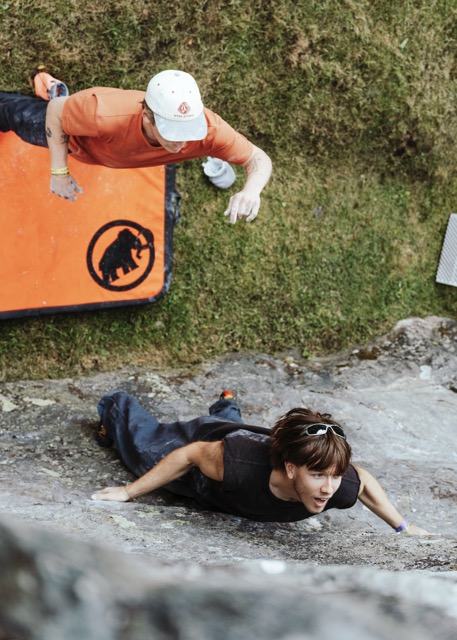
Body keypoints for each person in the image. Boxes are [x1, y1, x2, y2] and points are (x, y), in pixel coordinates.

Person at [91, 389, 430, 535]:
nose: (329, 488)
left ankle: (227, 406)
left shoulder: (336, 485)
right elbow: (191, 454)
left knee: (232, 430)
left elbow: (364, 482)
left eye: (335, 475)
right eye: (317, 475)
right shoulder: (239, 464)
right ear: (291, 468)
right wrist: (129, 492)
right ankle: (116, 405)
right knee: (141, 448)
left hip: (237, 443)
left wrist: (403, 527)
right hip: (204, 450)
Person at [0, 69, 272, 224]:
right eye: (172, 132)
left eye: (189, 130)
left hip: (96, 142)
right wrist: (59, 171)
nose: (182, 143)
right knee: (20, 117)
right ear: (147, 116)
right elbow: (57, 114)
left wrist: (252, 189)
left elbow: (257, 158)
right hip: (77, 140)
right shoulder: (105, 114)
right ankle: (45, 100)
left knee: (62, 109)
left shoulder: (209, 131)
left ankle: (61, 97)